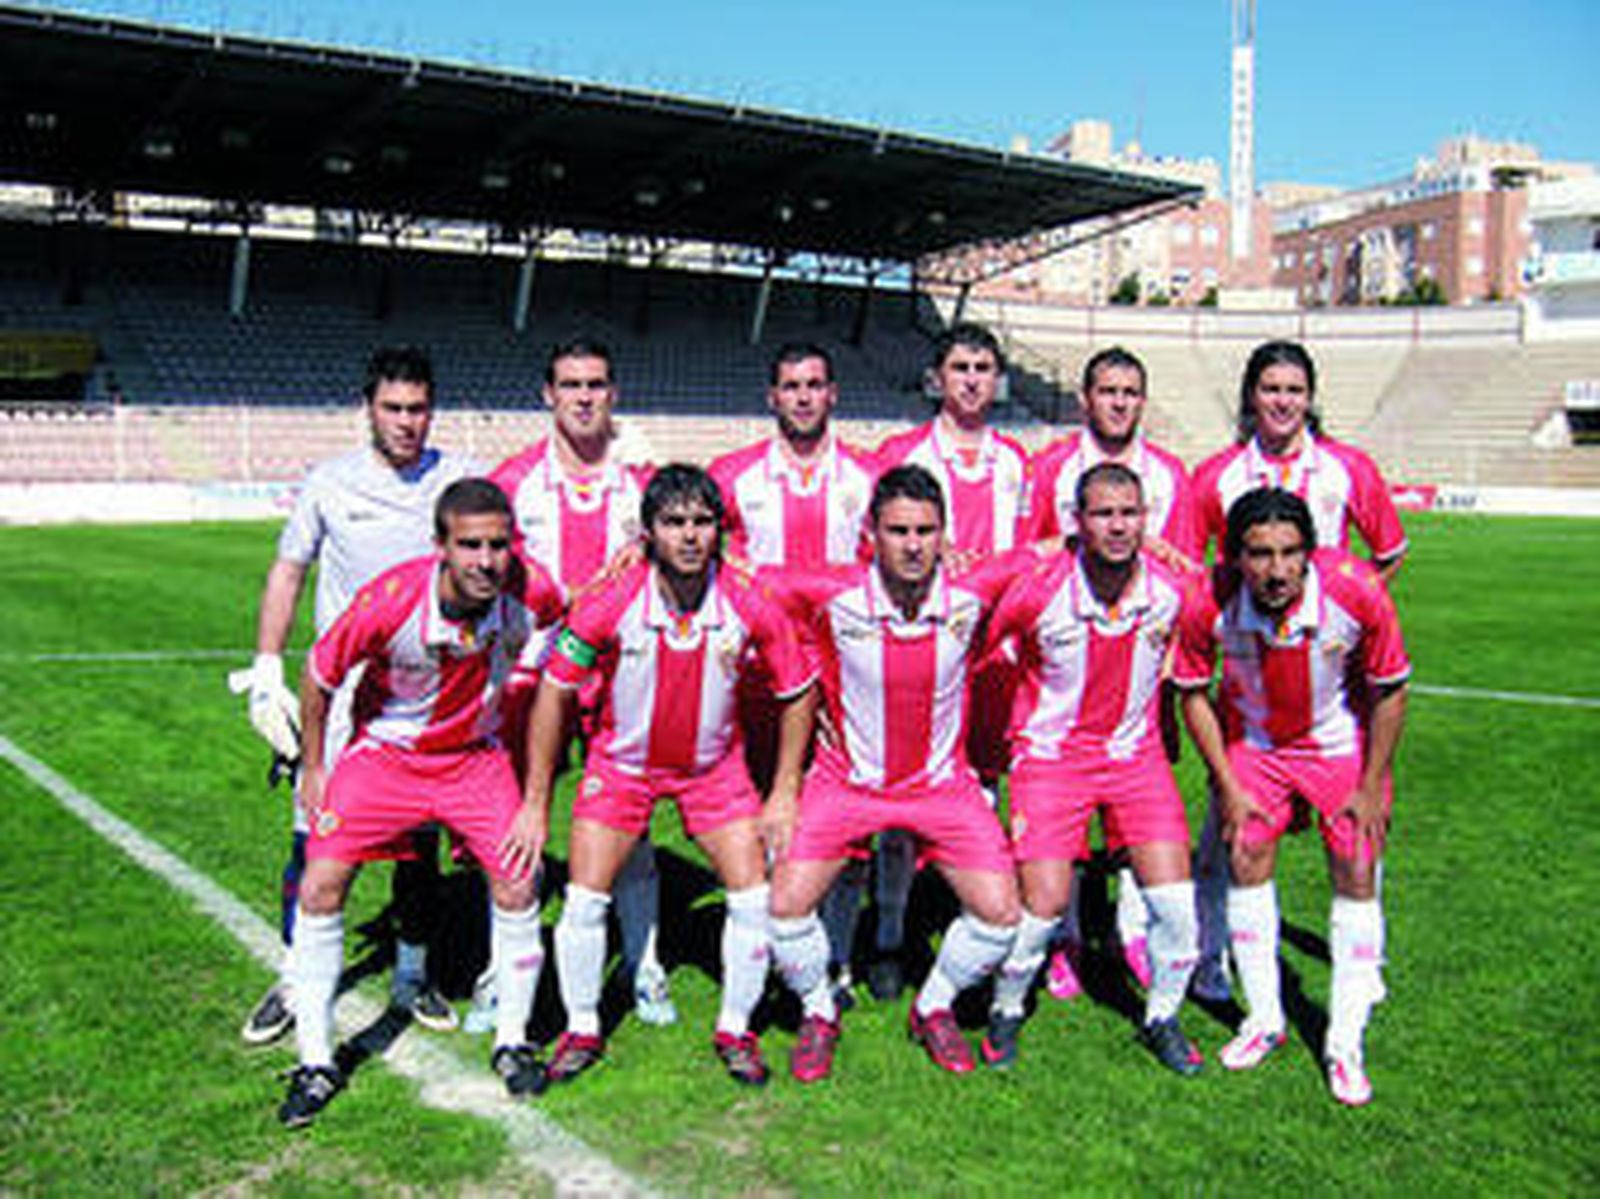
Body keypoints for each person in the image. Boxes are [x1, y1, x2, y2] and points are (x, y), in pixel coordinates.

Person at [278, 479, 565, 1127]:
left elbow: (566, 626)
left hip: (474, 759)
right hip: (383, 758)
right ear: (440, 546)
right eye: (470, 545)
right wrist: (316, 767)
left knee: (521, 881)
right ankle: (317, 1060)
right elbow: (320, 676)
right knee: (321, 885)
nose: (487, 559)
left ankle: (513, 1041)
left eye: (498, 544)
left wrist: (530, 677)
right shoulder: (390, 601)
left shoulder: (531, 587)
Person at [522, 465, 815, 1088]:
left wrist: (785, 788)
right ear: (648, 532)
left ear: (720, 530)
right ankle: (582, 1027)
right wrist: (537, 798)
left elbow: (798, 689)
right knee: (582, 898)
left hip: (714, 773)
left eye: (702, 522)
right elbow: (553, 692)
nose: (689, 536)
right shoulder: (612, 600)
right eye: (674, 522)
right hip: (621, 768)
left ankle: (737, 1027)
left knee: (752, 897)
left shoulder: (748, 600)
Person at [232, 346, 474, 1046]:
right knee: (314, 841)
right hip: (339, 703)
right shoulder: (328, 483)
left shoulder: (459, 481)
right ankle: (295, 974)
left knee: (417, 847)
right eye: (393, 407)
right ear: (368, 408)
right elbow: (288, 571)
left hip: (430, 697)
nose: (406, 421)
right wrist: (268, 666)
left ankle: (412, 972)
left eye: (418, 407)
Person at [765, 465, 1026, 1082]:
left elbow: (1054, 551)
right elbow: (740, 575)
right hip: (846, 784)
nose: (913, 544)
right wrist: (642, 551)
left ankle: (933, 1006)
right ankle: (818, 1010)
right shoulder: (830, 592)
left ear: (946, 535)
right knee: (783, 908)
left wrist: (1138, 539)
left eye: (926, 531)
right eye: (898, 530)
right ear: (870, 535)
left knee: (1001, 915)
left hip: (942, 788)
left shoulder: (974, 590)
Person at [1172, 487, 1410, 1106]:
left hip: (1337, 748)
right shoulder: (1207, 598)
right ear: (1235, 556)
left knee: (1358, 868)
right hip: (1256, 746)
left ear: (1310, 551)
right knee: (1246, 858)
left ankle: (1344, 1045)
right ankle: (1265, 1021)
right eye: (1258, 554)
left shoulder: (1356, 590)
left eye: (1289, 553)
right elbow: (1193, 692)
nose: (1275, 570)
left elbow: (1390, 692)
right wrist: (1226, 784)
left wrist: (1370, 786)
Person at [1187, 340, 1409, 1000]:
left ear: (1310, 397)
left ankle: (1364, 964)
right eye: (1270, 388)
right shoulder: (1217, 476)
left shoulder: (1349, 467)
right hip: (1251, 679)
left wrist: (1345, 612)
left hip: (1334, 673)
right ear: (1251, 395)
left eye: (1294, 389)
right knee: (1230, 824)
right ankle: (1211, 955)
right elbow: (1195, 569)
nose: (1282, 401)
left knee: (1359, 822)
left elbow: (1387, 555)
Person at [980, 463, 1203, 1076]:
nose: (1118, 526)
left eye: (1129, 513)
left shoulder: (1172, 590)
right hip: (1052, 762)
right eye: (1103, 513)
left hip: (1137, 762)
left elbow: (1221, 633)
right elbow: (971, 645)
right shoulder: (1038, 589)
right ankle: (1005, 1008)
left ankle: (1161, 1016)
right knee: (1044, 905)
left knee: (1178, 908)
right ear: (1077, 522)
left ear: (1145, 519)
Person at [489, 338, 674, 1026]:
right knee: (512, 822)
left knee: (629, 824)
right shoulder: (514, 481)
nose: (584, 396)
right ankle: (500, 966)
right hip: (532, 674)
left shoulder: (644, 483)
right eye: (571, 384)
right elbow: (484, 567)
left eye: (596, 383)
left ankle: (645, 963)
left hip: (622, 675)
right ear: (549, 394)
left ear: (613, 393)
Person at [1026, 346, 1196, 1000]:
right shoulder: (1052, 468)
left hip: (1140, 666)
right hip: (1069, 666)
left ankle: (1129, 932)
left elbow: (1176, 575)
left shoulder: (1170, 474)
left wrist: (1175, 682)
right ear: (1085, 400)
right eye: (1107, 390)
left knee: (1135, 818)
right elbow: (1038, 558)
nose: (1120, 402)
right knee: (1064, 820)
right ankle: (1066, 935)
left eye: (1130, 391)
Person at [710, 342, 877, 1004]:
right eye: (790, 386)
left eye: (814, 385)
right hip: (759, 681)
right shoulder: (732, 476)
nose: (803, 396)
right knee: (760, 817)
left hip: (847, 679)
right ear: (771, 396)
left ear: (833, 393)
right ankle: (775, 949)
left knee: (845, 821)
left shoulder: (868, 475)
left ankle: (837, 954)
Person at [868, 322, 1031, 999]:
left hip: (992, 653)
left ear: (997, 378)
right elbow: (872, 549)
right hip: (915, 645)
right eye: (960, 366)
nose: (971, 379)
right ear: (937, 377)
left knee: (983, 787)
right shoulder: (900, 452)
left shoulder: (1018, 460)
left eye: (983, 367)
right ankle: (890, 932)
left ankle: (974, 917)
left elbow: (1026, 556)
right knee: (904, 795)